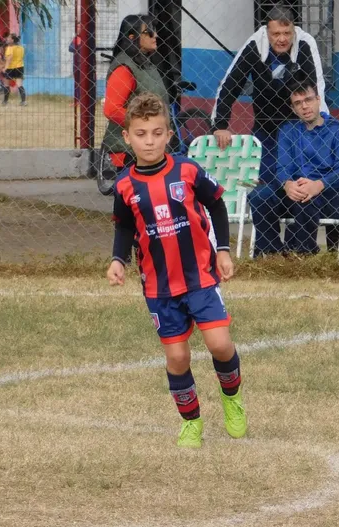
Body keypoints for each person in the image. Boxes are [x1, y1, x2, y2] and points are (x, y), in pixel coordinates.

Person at [106, 93, 248, 447]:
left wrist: (224, 251)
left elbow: (215, 204)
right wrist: (117, 260)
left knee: (219, 344)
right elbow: (124, 227)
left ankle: (232, 399)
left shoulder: (187, 170)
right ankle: (191, 421)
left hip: (200, 275)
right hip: (159, 286)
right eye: (141, 134)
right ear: (127, 137)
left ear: (169, 134)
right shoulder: (124, 185)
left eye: (156, 133)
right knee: (177, 356)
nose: (149, 141)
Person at [212, 4, 327, 183]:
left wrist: (322, 125)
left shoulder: (305, 43)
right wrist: (220, 124)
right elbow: (229, 85)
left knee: (299, 183)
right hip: (265, 126)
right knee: (262, 185)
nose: (282, 39)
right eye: (276, 34)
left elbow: (317, 87)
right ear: (267, 32)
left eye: (287, 33)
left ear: (294, 31)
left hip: (299, 127)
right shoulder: (254, 44)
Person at [248, 80, 339, 256]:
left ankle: (302, 253)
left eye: (308, 100)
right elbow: (282, 167)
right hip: (293, 192)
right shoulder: (287, 131)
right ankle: (273, 252)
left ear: (318, 100)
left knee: (305, 198)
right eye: (298, 103)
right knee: (260, 196)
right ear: (292, 108)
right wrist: (287, 184)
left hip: (326, 193)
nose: (305, 106)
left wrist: (317, 185)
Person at [102, 15, 169, 170]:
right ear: (132, 37)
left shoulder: (144, 64)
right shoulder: (124, 68)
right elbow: (112, 110)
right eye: (149, 32)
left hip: (146, 147)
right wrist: (144, 126)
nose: (156, 35)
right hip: (130, 151)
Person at [0, 33, 26, 106]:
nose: (7, 39)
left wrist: (5, 68)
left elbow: (9, 58)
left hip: (11, 67)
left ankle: (5, 101)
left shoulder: (9, 48)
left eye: (9, 38)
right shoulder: (21, 48)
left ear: (12, 40)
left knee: (6, 84)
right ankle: (23, 101)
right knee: (19, 84)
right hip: (20, 67)